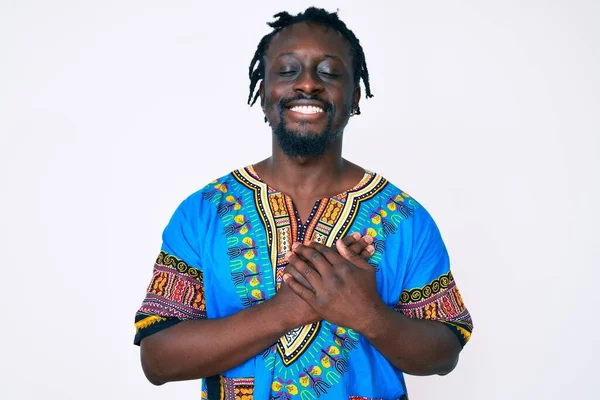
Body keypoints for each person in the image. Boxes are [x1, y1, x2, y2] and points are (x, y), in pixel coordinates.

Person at [133, 7, 473, 400]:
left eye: (329, 72)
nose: (308, 84)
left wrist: (368, 314)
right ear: (263, 93)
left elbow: (444, 352)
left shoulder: (406, 219)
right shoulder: (204, 212)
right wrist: (288, 310)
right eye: (288, 70)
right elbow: (157, 360)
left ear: (354, 96)